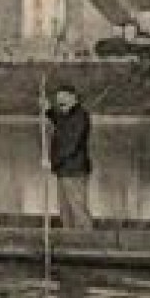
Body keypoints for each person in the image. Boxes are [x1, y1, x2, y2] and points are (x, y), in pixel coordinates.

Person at [43, 83, 96, 229]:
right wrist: (49, 111)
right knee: (65, 211)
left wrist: (51, 162)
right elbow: (60, 121)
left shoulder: (80, 116)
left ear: (74, 98)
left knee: (78, 209)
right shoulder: (67, 114)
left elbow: (71, 145)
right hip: (63, 170)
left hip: (75, 171)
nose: (61, 104)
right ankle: (69, 240)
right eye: (59, 101)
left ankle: (86, 241)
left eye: (64, 100)